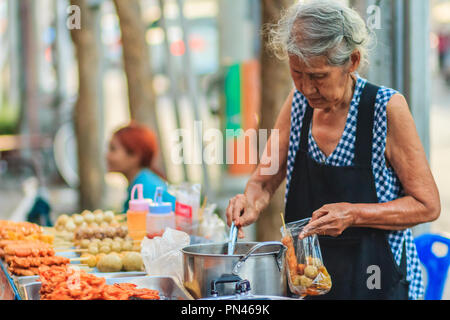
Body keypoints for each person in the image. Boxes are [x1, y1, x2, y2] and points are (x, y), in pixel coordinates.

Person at [226, 1, 440, 300]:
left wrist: (353, 214)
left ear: (351, 62)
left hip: (376, 280)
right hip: (307, 281)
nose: (305, 87)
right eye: (297, 73)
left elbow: (426, 205)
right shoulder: (298, 104)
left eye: (318, 76)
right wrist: (249, 201)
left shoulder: (385, 108)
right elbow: (265, 179)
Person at [106, 123, 175, 212]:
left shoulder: (145, 187)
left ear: (135, 156)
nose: (107, 156)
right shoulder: (142, 180)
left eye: (113, 149)